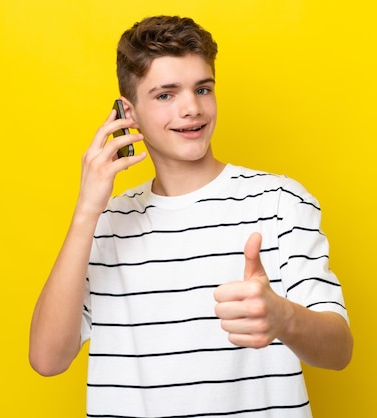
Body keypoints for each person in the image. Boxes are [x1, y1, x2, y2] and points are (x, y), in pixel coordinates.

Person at [29, 15, 353, 417]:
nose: (192, 108)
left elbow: (339, 350)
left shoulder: (280, 202)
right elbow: (47, 359)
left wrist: (284, 317)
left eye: (203, 89)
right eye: (166, 95)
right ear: (127, 113)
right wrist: (86, 212)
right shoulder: (107, 223)